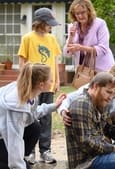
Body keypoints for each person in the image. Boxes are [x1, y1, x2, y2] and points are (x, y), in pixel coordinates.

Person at [0, 63, 66, 169]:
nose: (52, 82)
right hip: (5, 136)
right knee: (20, 165)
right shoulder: (17, 107)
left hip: (5, 133)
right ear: (41, 84)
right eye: (50, 80)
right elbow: (14, 140)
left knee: (34, 127)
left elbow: (31, 114)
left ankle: (12, 158)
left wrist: (54, 106)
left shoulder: (29, 92)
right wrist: (18, 165)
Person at [18, 7, 62, 164]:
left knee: (46, 118)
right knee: (30, 117)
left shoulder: (51, 39)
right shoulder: (28, 38)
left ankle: (45, 151)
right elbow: (22, 61)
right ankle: (29, 151)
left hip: (48, 85)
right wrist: (24, 80)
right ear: (40, 23)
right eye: (48, 23)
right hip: (32, 86)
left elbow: (55, 61)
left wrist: (56, 80)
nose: (51, 27)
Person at [63, 0, 115, 72]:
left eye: (83, 12)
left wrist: (81, 48)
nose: (80, 16)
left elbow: (103, 49)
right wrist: (71, 37)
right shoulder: (73, 26)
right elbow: (66, 54)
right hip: (82, 73)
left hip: (102, 70)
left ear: (89, 11)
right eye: (77, 13)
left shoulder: (100, 24)